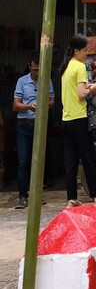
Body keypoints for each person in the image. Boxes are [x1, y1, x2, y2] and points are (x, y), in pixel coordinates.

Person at [59, 34, 96, 208]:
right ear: (77, 51)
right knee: (89, 158)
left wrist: (88, 87)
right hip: (79, 119)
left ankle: (71, 198)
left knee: (71, 161)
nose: (86, 54)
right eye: (85, 51)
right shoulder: (79, 66)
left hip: (66, 119)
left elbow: (75, 89)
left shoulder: (66, 67)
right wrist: (94, 89)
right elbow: (81, 94)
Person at [13, 53, 55, 209]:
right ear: (29, 67)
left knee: (38, 161)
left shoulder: (47, 80)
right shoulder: (22, 81)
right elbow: (16, 105)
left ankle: (37, 195)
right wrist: (29, 107)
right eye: (34, 69)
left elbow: (52, 101)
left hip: (40, 124)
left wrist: (44, 104)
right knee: (23, 161)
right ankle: (22, 196)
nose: (37, 72)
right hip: (24, 124)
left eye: (39, 70)